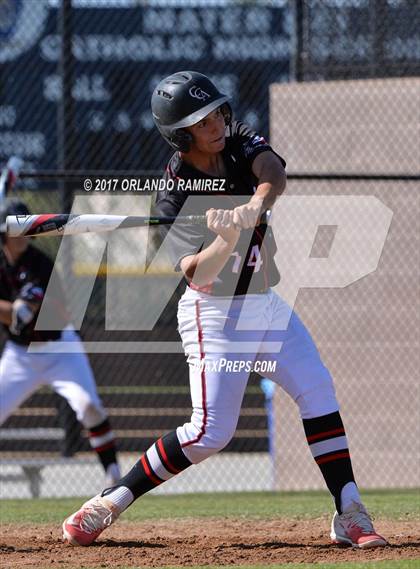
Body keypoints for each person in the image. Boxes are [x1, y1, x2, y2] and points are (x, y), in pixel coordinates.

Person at [62, 71, 386, 548]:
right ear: (179, 134)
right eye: (199, 119)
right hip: (215, 314)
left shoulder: (238, 144)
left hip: (266, 304)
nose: (214, 123)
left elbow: (273, 170)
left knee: (318, 388)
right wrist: (225, 238)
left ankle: (350, 510)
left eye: (215, 111)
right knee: (211, 433)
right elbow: (195, 272)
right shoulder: (174, 192)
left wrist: (254, 204)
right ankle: (109, 502)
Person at [0, 198, 121, 486]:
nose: (23, 235)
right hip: (21, 355)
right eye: (16, 229)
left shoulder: (40, 264)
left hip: (60, 348)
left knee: (89, 406)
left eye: (28, 228)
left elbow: (27, 314)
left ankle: (115, 477)